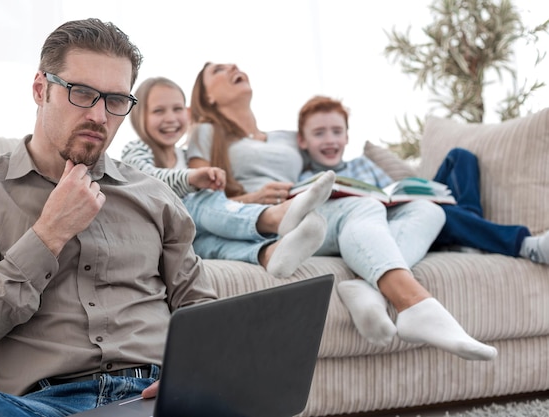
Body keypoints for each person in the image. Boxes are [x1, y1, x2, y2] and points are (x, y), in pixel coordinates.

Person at [0, 19, 218, 417]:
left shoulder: (154, 195)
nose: (99, 115)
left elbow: (198, 304)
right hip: (46, 406)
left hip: (157, 397)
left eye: (116, 100)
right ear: (40, 89)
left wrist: (195, 370)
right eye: (82, 93)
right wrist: (48, 234)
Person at [187, 62, 498, 362]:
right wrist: (249, 197)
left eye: (233, 65)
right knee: (363, 207)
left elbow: (326, 153)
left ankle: (367, 287)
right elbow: (203, 192)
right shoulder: (206, 131)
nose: (232, 68)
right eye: (218, 70)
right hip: (269, 219)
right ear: (207, 96)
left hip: (311, 209)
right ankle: (415, 305)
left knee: (429, 211)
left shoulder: (286, 137)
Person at [120, 77, 335, 277]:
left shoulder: (186, 157)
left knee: (212, 243)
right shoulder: (137, 149)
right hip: (159, 230)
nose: (170, 118)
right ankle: (274, 217)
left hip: (191, 238)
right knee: (199, 199)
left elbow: (218, 208)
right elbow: (148, 180)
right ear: (139, 117)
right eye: (159, 111)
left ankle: (269, 254)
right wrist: (191, 179)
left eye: (177, 109)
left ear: (187, 112)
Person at [297, 95, 549, 263]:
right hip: (401, 226)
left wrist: (414, 191)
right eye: (319, 133)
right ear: (302, 141)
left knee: (460, 157)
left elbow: (392, 191)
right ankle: (525, 245)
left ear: (347, 137)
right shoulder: (308, 180)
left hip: (404, 207)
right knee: (441, 216)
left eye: (337, 131)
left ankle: (468, 233)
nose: (330, 139)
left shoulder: (363, 164)